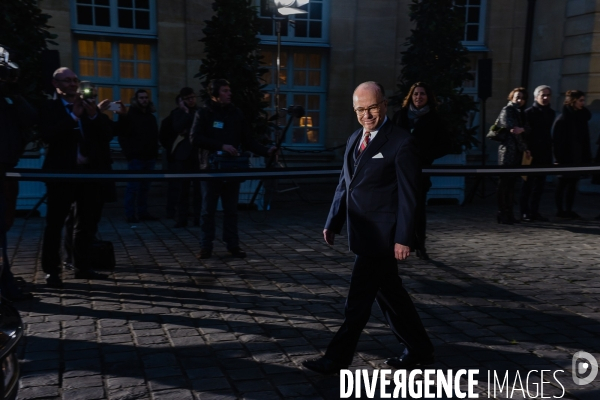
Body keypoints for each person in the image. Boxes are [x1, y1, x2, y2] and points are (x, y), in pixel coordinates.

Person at [302, 81, 434, 375]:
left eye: (372, 107)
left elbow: (410, 197)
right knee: (391, 295)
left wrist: (403, 238)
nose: (367, 115)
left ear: (384, 104)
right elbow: (344, 185)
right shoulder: (353, 139)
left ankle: (337, 358)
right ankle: (420, 349)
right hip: (362, 232)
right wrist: (333, 221)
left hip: (383, 237)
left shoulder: (401, 142)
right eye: (360, 109)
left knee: (357, 302)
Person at [39, 67, 113, 287]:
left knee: (87, 223)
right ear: (56, 84)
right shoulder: (50, 108)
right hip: (62, 174)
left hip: (89, 174)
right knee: (55, 224)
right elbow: (47, 136)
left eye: (75, 80)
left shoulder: (91, 108)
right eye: (67, 81)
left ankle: (83, 266)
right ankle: (52, 271)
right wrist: (73, 117)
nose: (72, 84)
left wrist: (93, 115)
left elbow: (107, 136)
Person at [190, 79, 276, 259]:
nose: (229, 94)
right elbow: (195, 137)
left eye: (229, 90)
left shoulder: (236, 114)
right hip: (210, 168)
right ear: (215, 94)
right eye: (225, 90)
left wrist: (266, 151)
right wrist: (221, 145)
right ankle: (206, 246)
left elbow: (247, 139)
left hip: (232, 168)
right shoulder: (204, 113)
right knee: (208, 211)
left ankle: (232, 245)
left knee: (231, 210)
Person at [392, 82, 450, 260]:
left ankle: (420, 245)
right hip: (398, 170)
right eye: (416, 94)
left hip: (420, 170)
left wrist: (425, 156)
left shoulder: (435, 119)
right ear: (411, 96)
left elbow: (445, 145)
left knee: (417, 209)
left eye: (422, 94)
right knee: (396, 208)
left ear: (428, 97)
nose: (419, 97)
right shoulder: (400, 116)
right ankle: (398, 242)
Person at [0, 61, 37, 300]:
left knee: (3, 227)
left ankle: (5, 282)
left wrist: (12, 91)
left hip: (6, 169)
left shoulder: (8, 99)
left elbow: (30, 119)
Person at [487, 87, 530, 224]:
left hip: (516, 151)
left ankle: (509, 212)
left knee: (512, 184)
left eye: (522, 98)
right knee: (504, 183)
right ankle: (502, 212)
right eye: (517, 97)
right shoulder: (508, 110)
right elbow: (512, 130)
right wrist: (524, 145)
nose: (519, 100)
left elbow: (526, 129)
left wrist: (522, 131)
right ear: (511, 97)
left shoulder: (520, 112)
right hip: (507, 151)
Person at [117, 89, 159, 223]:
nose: (144, 100)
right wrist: (129, 153)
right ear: (136, 99)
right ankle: (130, 214)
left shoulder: (151, 117)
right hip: (136, 157)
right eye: (141, 98)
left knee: (145, 187)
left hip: (149, 157)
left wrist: (154, 151)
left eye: (146, 98)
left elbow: (154, 136)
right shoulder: (130, 116)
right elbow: (122, 136)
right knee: (133, 187)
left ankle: (142, 212)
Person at [552, 90, 593, 219]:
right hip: (565, 156)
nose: (583, 103)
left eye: (583, 100)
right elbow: (557, 141)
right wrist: (558, 158)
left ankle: (569, 209)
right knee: (562, 184)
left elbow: (584, 139)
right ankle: (560, 210)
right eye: (580, 100)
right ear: (573, 101)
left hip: (577, 155)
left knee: (572, 184)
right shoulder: (563, 118)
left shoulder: (581, 117)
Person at [521, 85, 555, 222]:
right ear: (536, 97)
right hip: (530, 152)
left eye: (548, 95)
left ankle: (535, 211)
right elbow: (525, 134)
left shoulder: (551, 113)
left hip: (545, 152)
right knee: (527, 184)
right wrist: (526, 149)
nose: (545, 98)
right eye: (543, 95)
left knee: (539, 185)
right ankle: (524, 212)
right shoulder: (528, 113)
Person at [171, 87, 201, 228]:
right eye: (188, 98)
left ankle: (198, 217)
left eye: (193, 97)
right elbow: (177, 127)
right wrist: (186, 113)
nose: (191, 100)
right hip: (183, 156)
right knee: (182, 189)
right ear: (182, 100)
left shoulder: (200, 111)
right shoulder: (178, 113)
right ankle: (181, 218)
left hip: (198, 155)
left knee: (198, 190)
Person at [159, 95, 182, 219]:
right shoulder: (169, 120)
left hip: (185, 157)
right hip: (174, 157)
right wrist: (172, 148)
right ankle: (171, 210)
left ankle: (180, 209)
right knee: (174, 186)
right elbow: (163, 138)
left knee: (181, 186)